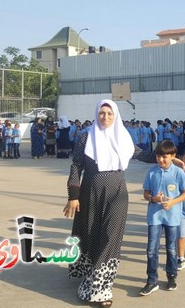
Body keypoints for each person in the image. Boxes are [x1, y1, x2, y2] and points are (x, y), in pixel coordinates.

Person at [64, 99, 135, 306]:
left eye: (110, 113)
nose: (105, 117)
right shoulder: (85, 136)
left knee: (110, 236)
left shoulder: (123, 137)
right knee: (91, 234)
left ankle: (101, 287)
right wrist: (73, 196)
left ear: (116, 116)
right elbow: (76, 166)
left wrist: (168, 157)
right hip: (90, 193)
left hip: (117, 194)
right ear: (97, 114)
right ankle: (90, 273)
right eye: (102, 113)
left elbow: (141, 153)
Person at [141, 140, 185, 296]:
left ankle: (171, 276)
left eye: (165, 157)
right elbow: (146, 193)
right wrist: (153, 199)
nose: (161, 160)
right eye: (158, 156)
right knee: (151, 250)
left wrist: (173, 202)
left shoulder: (178, 173)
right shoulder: (152, 172)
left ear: (173, 156)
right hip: (155, 217)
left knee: (171, 248)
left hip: (172, 217)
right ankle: (151, 280)